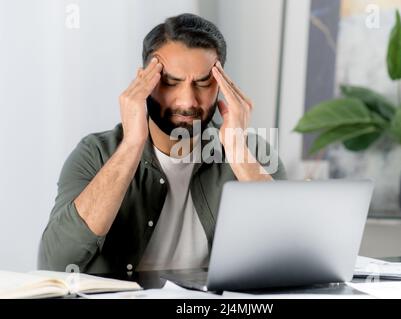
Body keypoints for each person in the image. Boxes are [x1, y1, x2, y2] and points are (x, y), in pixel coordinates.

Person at [38, 13, 286, 274]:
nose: (187, 101)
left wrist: (238, 152)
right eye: (169, 82)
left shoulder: (254, 154)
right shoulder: (95, 153)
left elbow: (291, 257)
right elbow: (56, 262)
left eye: (203, 83)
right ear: (143, 82)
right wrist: (133, 144)